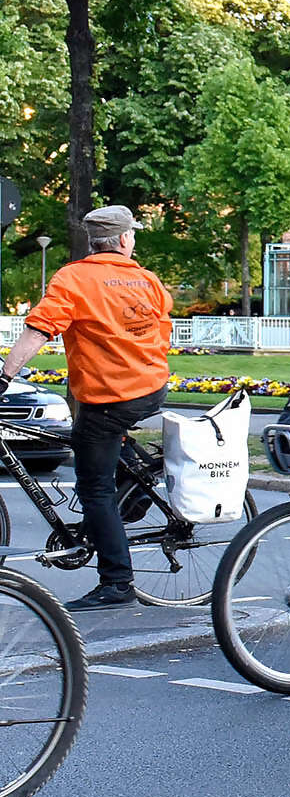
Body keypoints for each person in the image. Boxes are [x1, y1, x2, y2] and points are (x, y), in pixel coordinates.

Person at [0, 205, 173, 609]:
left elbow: (39, 330)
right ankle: (136, 490)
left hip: (108, 398)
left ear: (93, 242)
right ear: (125, 240)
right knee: (98, 442)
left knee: (94, 487)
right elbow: (161, 330)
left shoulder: (75, 278)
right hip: (150, 388)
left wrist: (5, 377)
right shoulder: (147, 280)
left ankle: (117, 583)